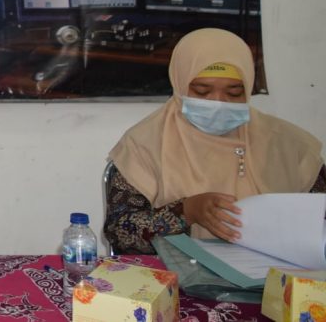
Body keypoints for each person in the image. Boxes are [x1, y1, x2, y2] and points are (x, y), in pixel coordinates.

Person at [104, 27, 325, 254]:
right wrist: (186, 212)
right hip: (178, 271)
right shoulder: (145, 144)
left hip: (275, 271)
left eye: (234, 92)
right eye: (202, 91)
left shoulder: (288, 144)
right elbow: (120, 233)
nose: (218, 102)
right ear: (180, 84)